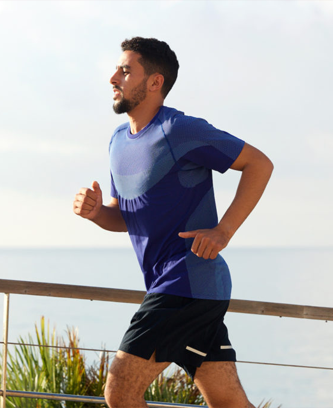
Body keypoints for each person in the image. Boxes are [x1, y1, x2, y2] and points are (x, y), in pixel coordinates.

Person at [73, 37, 273, 408]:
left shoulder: (180, 130)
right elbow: (126, 217)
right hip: (187, 288)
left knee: (120, 390)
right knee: (227, 399)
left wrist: (224, 230)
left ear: (154, 82)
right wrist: (97, 212)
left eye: (126, 70)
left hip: (187, 281)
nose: (113, 77)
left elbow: (259, 164)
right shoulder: (118, 141)